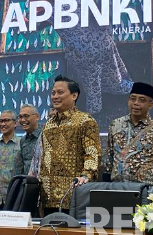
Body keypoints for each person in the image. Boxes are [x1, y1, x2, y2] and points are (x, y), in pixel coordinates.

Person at [28, 0, 133, 113]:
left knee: (94, 82)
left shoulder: (67, 0)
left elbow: (96, 13)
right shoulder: (57, 2)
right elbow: (39, 23)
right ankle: (118, 92)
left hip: (91, 49)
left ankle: (94, 112)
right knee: (107, 75)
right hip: (92, 46)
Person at [30, 75, 101, 214]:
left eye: (60, 92)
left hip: (73, 196)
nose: (55, 96)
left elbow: (92, 154)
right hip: (47, 195)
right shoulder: (49, 124)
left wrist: (86, 177)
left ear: (74, 95)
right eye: (53, 93)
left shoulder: (85, 121)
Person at [103, 82, 153, 198]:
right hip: (118, 188)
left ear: (150, 105)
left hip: (148, 190)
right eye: (133, 99)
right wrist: (105, 185)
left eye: (142, 100)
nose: (136, 103)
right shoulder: (115, 124)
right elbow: (109, 157)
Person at [18, 104, 42, 174]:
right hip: (27, 183)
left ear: (37, 117)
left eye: (26, 116)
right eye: (20, 117)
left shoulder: (45, 135)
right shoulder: (23, 140)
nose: (22, 120)